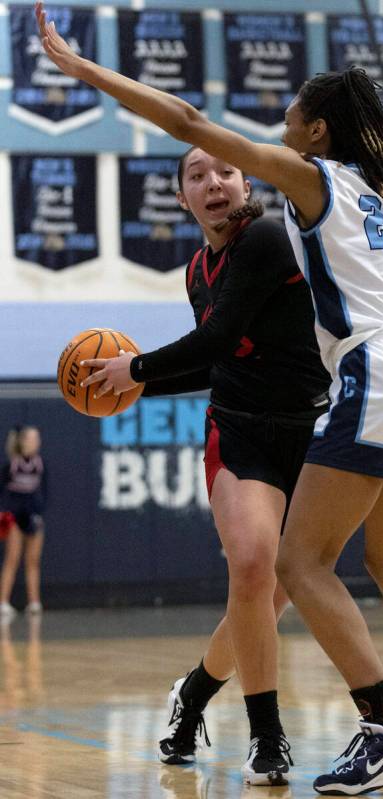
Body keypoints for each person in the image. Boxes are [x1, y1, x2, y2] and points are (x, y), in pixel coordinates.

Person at [36, 4, 383, 794]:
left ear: (314, 133)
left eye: (288, 115)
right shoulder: (380, 177)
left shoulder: (307, 183)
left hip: (373, 368)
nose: (276, 124)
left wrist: (85, 71)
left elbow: (186, 118)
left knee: (298, 560)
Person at [89, 150, 330, 786]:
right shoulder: (198, 269)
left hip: (309, 429)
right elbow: (217, 364)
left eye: (225, 170)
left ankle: (193, 694)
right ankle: (267, 737)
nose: (213, 182)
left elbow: (218, 338)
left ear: (245, 183)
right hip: (240, 429)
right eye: (197, 175)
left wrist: (135, 371)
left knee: (271, 596)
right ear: (183, 199)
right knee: (251, 567)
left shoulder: (267, 239)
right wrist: (133, 387)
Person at [0, 426, 46, 617]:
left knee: (33, 561)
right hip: (14, 517)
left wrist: (39, 514)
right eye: (32, 438)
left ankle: (34, 602)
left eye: (38, 438)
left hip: (33, 515)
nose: (37, 441)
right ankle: (3, 602)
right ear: (23, 441)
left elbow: (44, 492)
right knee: (12, 559)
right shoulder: (12, 464)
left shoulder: (39, 463)